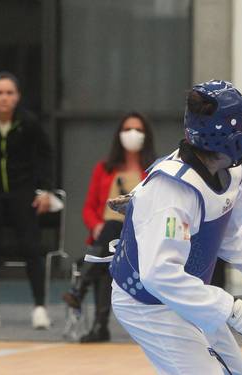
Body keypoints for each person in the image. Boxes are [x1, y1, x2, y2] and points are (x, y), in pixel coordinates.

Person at [102, 80, 242, 374]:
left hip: (189, 294)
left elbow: (228, 233)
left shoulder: (232, 173)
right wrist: (229, 308)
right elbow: (160, 274)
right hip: (147, 303)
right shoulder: (172, 191)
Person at [62, 112, 155, 342]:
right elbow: (89, 208)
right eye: (127, 129)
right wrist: (95, 226)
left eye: (138, 129)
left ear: (146, 135)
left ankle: (79, 290)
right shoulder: (104, 168)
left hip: (138, 237)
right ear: (119, 135)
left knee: (111, 233)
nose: (133, 134)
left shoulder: (154, 169)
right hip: (106, 238)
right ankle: (99, 327)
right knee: (107, 253)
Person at [0, 71, 53, 329]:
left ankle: (39, 307)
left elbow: (45, 155)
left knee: (31, 249)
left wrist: (45, 190)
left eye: (9, 93)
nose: (4, 98)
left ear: (17, 96)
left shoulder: (28, 123)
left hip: (22, 193)